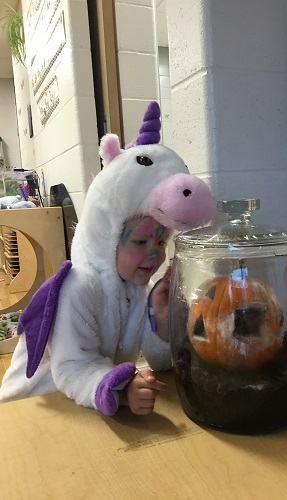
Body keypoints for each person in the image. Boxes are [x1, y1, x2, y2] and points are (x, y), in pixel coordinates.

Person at [0, 102, 216, 415]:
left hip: (86, 409)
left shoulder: (137, 286)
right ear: (106, 235)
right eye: (141, 241)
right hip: (37, 408)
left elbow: (159, 361)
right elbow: (72, 368)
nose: (154, 254)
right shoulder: (78, 288)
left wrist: (160, 318)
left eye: (162, 241)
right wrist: (121, 390)